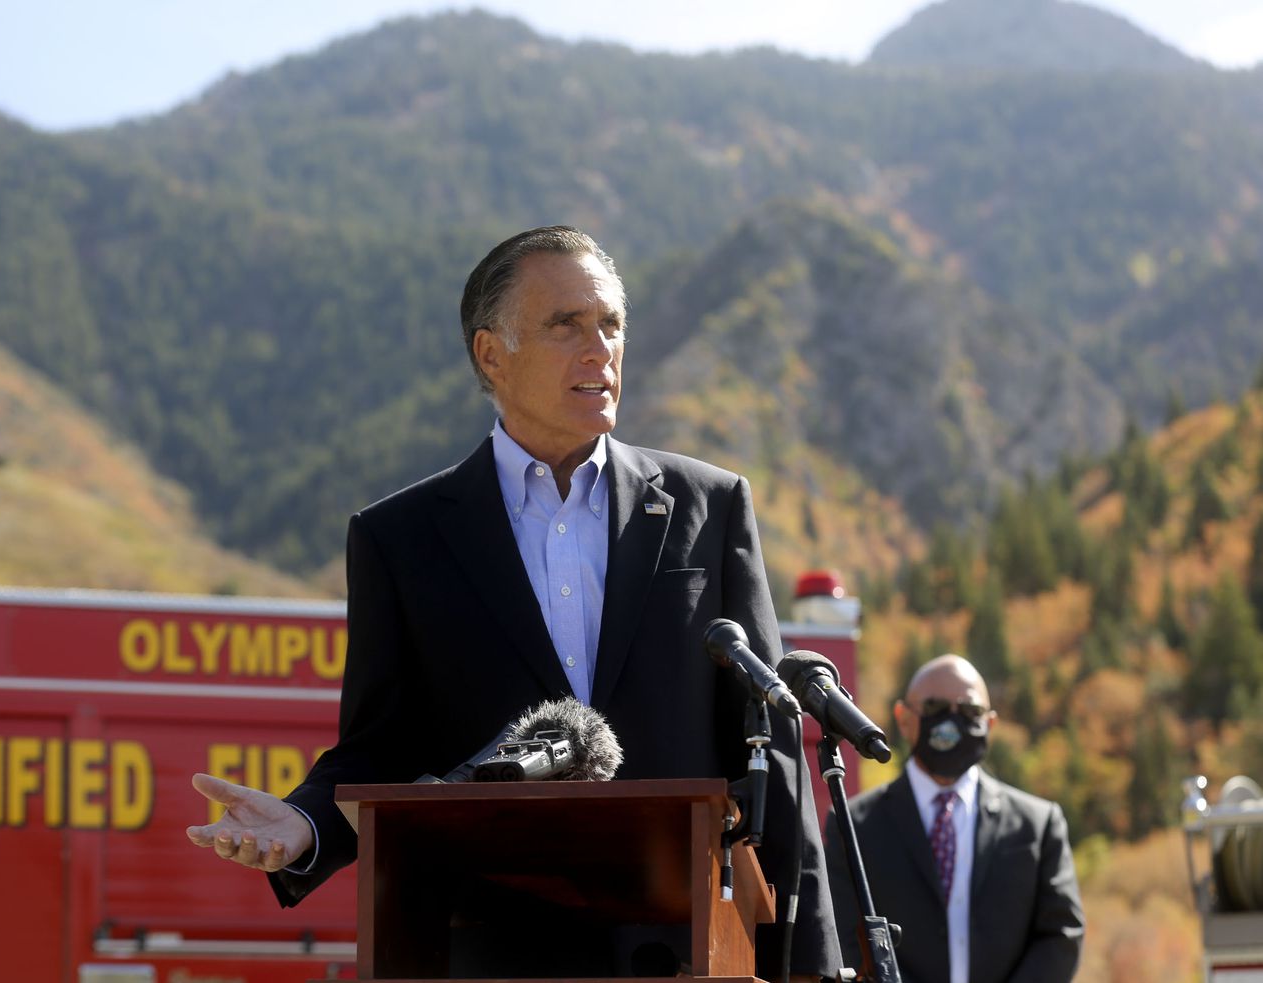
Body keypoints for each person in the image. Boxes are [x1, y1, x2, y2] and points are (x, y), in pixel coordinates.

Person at [186, 226, 841, 980]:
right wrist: (305, 824)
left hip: (685, 948)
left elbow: (771, 747)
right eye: (567, 325)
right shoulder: (400, 538)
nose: (600, 348)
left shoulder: (710, 505)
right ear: (491, 354)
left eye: (611, 325)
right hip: (495, 951)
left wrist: (811, 961)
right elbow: (382, 747)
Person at [825, 653, 1084, 983]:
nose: (952, 721)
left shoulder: (1038, 825)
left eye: (969, 711)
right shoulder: (854, 825)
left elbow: (1061, 935)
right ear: (904, 719)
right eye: (934, 708)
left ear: (989, 724)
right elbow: (844, 934)